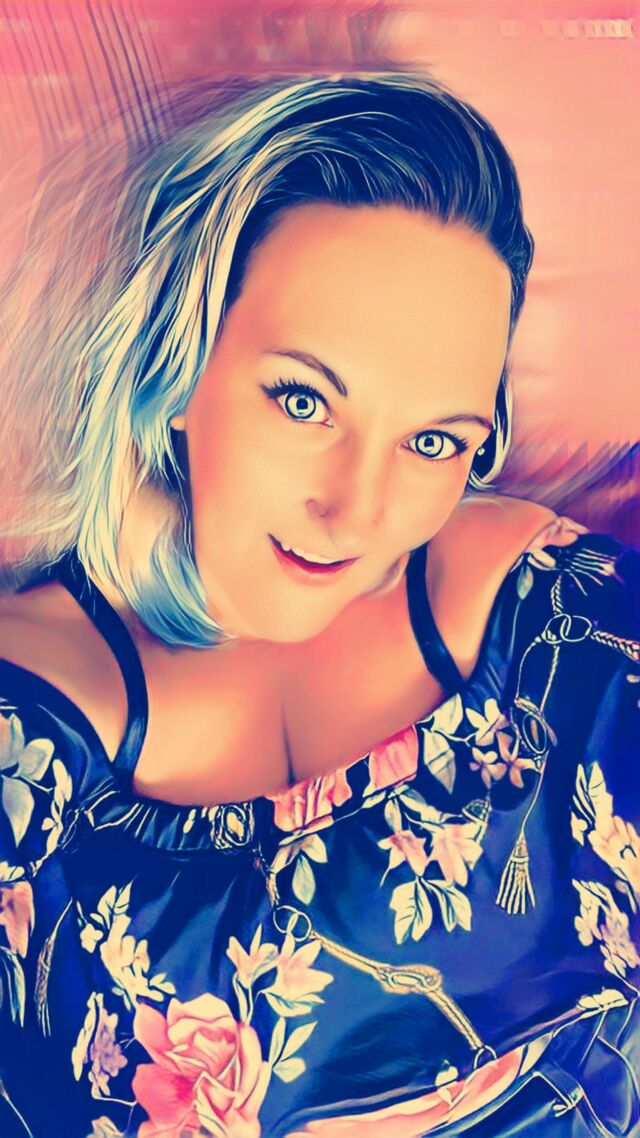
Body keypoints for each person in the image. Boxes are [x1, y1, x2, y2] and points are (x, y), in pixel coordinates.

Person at [0, 70, 638, 1138]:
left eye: (433, 440)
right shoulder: (30, 721)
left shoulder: (547, 625)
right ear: (180, 359)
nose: (357, 510)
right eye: (304, 400)